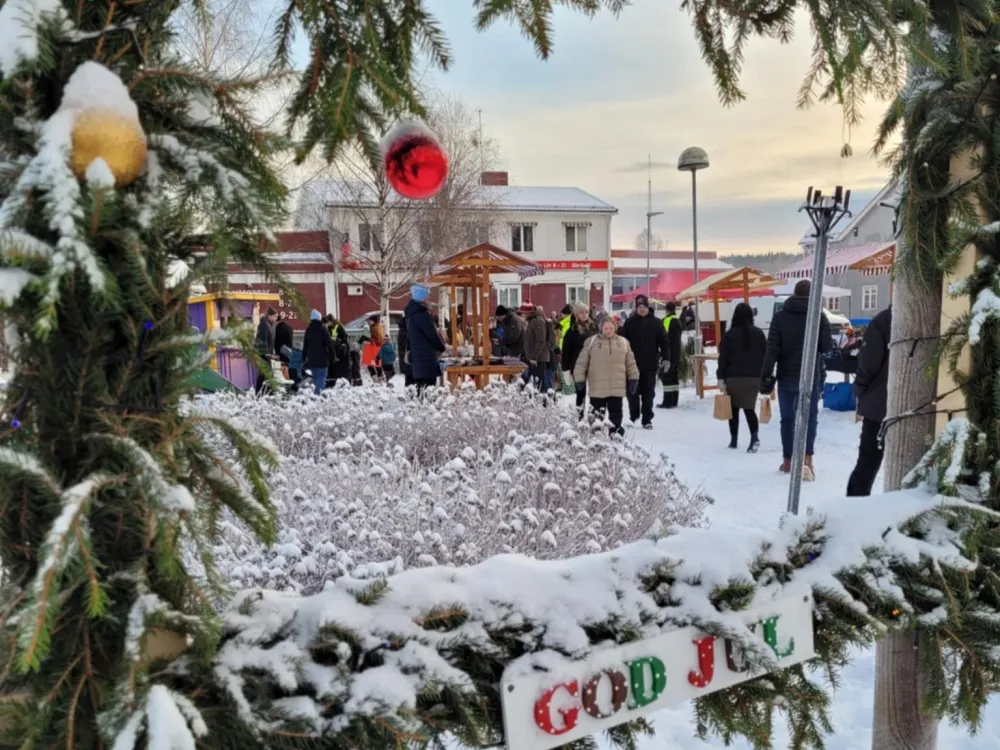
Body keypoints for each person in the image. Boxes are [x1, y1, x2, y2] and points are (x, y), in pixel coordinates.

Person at [760, 279, 833, 481]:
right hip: (811, 377)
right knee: (809, 418)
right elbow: (827, 347)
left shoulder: (780, 317)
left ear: (794, 294)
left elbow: (771, 350)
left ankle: (788, 460)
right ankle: (807, 460)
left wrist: (766, 376)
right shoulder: (818, 316)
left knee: (787, 419)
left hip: (787, 377)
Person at [847, 306, 892, 497]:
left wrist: (859, 388)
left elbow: (868, 363)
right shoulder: (935, 312)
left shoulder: (884, 320)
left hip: (879, 406)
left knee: (868, 462)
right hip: (922, 406)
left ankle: (855, 504)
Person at [573, 316, 639, 436]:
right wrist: (579, 378)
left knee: (616, 413)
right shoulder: (591, 342)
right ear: (601, 328)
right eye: (606, 328)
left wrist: (633, 378)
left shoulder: (623, 342)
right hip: (597, 387)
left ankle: (615, 434)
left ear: (615, 328)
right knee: (596, 414)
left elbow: (631, 362)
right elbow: (581, 363)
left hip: (617, 386)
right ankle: (596, 435)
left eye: (611, 328)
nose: (608, 331)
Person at [717, 302, 767, 453]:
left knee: (733, 410)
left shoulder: (729, 335)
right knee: (749, 409)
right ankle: (754, 437)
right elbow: (765, 356)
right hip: (754, 378)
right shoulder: (759, 334)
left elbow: (723, 358)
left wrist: (721, 377)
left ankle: (733, 440)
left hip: (734, 377)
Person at [621, 294, 670, 429]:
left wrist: (666, 358)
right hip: (632, 365)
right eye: (639, 307)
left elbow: (664, 342)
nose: (641, 309)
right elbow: (622, 343)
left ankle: (647, 419)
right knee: (632, 393)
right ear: (636, 308)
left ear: (648, 307)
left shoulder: (657, 323)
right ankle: (634, 414)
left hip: (650, 365)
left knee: (648, 394)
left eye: (644, 307)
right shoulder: (629, 323)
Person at [404, 285, 445, 392]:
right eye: (428, 296)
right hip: (427, 360)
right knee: (428, 391)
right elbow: (432, 335)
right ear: (422, 297)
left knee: (421, 391)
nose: (429, 299)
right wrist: (442, 347)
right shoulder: (422, 315)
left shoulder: (411, 314)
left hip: (418, 360)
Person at [561, 304, 598, 416]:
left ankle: (594, 418)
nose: (584, 315)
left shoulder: (594, 328)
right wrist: (566, 370)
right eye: (581, 312)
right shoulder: (571, 331)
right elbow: (566, 353)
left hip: (594, 365)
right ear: (576, 315)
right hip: (578, 366)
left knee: (596, 394)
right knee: (580, 394)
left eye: (586, 312)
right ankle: (580, 418)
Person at [301, 309, 336, 395]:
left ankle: (316, 394)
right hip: (322, 359)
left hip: (312, 358)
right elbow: (329, 343)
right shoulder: (323, 329)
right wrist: (333, 356)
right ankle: (318, 395)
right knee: (321, 376)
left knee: (316, 376)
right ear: (319, 318)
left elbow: (305, 345)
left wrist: (303, 357)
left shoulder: (308, 329)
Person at [659, 301, 683, 409]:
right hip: (677, 353)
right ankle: (674, 401)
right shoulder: (678, 320)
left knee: (666, 376)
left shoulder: (666, 320)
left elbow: (663, 337)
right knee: (674, 376)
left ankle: (667, 402)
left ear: (666, 310)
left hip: (668, 353)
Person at [522, 304, 552, 390]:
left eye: (523, 313)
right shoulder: (533, 321)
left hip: (538, 358)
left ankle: (544, 397)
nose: (522, 315)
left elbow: (540, 340)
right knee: (535, 382)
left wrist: (534, 357)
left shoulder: (537, 321)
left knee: (539, 383)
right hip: (535, 357)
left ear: (528, 313)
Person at [254, 307, 277, 395]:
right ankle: (260, 393)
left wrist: (271, 353)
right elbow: (263, 340)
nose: (275, 318)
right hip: (263, 355)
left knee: (266, 374)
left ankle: (267, 392)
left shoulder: (271, 325)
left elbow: (271, 341)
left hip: (267, 354)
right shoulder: (264, 325)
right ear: (269, 316)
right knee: (263, 374)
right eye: (274, 316)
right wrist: (266, 354)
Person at [398, 312, 412, 386]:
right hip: (409, 359)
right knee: (411, 379)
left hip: (406, 359)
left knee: (409, 378)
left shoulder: (402, 329)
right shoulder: (406, 331)